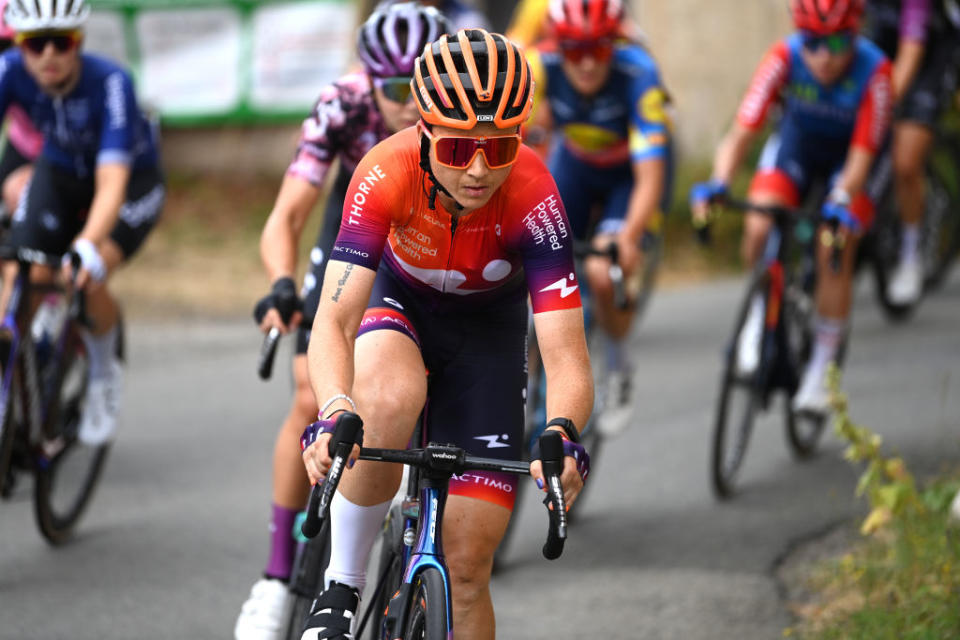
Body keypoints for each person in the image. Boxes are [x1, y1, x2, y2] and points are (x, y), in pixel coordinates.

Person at [298, 28, 593, 639]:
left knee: (467, 566)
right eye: (459, 151)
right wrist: (333, 408)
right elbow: (334, 319)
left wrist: (562, 431)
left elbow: (565, 352)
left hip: (487, 333)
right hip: (399, 304)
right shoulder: (384, 171)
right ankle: (342, 583)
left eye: (501, 146)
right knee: (386, 397)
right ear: (425, 132)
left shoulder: (535, 194)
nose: (481, 171)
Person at [234, 4, 451, 640]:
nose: (410, 104)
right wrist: (281, 282)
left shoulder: (458, 119)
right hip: (353, 235)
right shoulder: (343, 105)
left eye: (421, 89)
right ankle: (276, 579)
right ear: (367, 83)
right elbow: (289, 211)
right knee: (309, 394)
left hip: (425, 244)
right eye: (393, 90)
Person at [690, 0, 893, 414]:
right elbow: (742, 132)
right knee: (761, 221)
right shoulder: (783, 56)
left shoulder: (876, 72)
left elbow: (861, 158)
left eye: (836, 41)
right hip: (799, 145)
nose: (823, 55)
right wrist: (719, 183)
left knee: (832, 244)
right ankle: (760, 308)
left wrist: (840, 200)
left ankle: (821, 366)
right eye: (813, 41)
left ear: (855, 32)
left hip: (852, 161)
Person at [0, 0, 165, 444]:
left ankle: (102, 373)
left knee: (84, 276)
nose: (48, 54)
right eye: (36, 44)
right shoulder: (8, 71)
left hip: (129, 183)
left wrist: (88, 242)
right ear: (20, 44)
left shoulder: (110, 82)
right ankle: (14, 382)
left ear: (80, 41)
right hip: (59, 172)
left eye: (62, 42)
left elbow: (112, 182)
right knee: (23, 273)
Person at [525, 0, 673, 436]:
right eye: (574, 49)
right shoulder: (540, 65)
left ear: (616, 43)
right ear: (558, 45)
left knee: (603, 271)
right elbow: (514, 144)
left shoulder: (638, 75)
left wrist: (627, 237)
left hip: (629, 179)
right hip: (576, 166)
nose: (587, 63)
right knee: (526, 257)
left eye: (598, 49)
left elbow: (650, 177)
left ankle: (619, 362)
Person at [862, 0, 960, 304]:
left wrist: (880, 108)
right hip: (886, 40)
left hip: (931, 50)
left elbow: (912, 50)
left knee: (906, 161)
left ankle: (911, 253)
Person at [0, 0, 42, 214]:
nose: (5, 58)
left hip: (59, 152)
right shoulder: (7, 71)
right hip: (20, 143)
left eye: (8, 47)